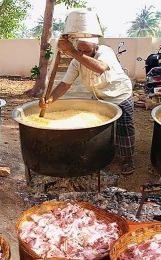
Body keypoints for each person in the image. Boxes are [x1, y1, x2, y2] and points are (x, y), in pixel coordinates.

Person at [38, 36, 136, 175]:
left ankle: (127, 159)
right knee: (102, 130)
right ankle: (106, 155)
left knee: (124, 128)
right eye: (80, 49)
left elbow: (100, 68)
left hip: (119, 95)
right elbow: (65, 84)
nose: (83, 53)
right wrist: (50, 99)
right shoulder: (76, 62)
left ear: (95, 48)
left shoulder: (105, 52)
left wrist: (73, 51)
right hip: (99, 97)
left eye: (87, 51)